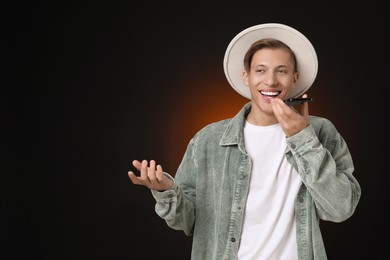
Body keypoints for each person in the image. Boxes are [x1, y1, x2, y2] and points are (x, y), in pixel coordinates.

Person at [128, 23, 361, 260]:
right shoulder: (208, 140)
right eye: (260, 70)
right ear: (246, 77)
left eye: (281, 71)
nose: (270, 81)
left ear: (295, 78)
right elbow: (188, 221)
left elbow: (341, 209)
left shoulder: (320, 131)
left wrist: (302, 139)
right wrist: (166, 191)